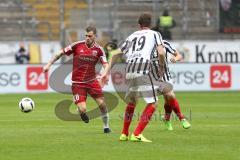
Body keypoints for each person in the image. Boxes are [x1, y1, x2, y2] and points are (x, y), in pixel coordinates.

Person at [101, 13, 167, 142]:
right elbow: (161, 52)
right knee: (153, 103)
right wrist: (161, 67)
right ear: (150, 24)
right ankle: (136, 134)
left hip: (130, 68)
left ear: (139, 25)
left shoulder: (132, 35)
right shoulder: (155, 34)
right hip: (143, 68)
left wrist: (106, 72)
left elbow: (115, 54)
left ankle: (124, 133)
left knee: (132, 102)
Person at [43, 26, 111, 133]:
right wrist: (48, 64)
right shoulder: (77, 45)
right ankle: (81, 112)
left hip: (92, 82)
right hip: (78, 83)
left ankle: (106, 127)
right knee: (83, 109)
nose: (87, 38)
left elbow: (106, 64)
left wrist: (104, 74)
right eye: (86, 35)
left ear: (95, 36)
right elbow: (60, 53)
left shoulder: (99, 50)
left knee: (102, 105)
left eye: (90, 36)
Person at [158, 40, 191, 131]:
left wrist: (175, 59)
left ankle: (172, 119)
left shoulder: (164, 44)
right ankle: (177, 118)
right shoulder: (147, 45)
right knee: (168, 97)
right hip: (153, 76)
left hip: (165, 76)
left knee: (169, 97)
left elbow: (179, 55)